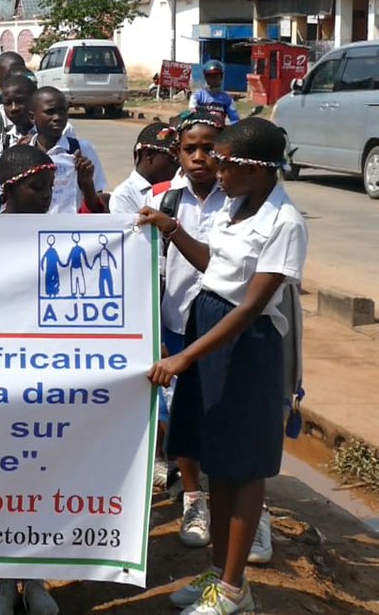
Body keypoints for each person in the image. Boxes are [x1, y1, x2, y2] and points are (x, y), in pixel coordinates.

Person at [138, 117, 307, 614]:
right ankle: (219, 577)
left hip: (245, 348)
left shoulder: (284, 222)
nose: (214, 166)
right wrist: (170, 227)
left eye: (225, 161)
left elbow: (251, 306)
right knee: (217, 465)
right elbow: (216, 267)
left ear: (255, 168)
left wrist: (186, 356)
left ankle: (233, 590)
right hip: (210, 331)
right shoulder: (237, 206)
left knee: (242, 468)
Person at [145, 109, 228, 549]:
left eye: (209, 148)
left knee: (227, 412)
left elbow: (220, 265)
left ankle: (247, 505)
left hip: (226, 324)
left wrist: (174, 231)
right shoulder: (164, 199)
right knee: (180, 415)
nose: (200, 157)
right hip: (177, 322)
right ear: (176, 153)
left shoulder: (236, 197)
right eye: (189, 149)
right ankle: (194, 497)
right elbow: (143, 264)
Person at [0, 144, 61, 615]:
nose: (48, 196)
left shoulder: (63, 237)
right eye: (38, 187)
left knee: (38, 478)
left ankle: (35, 579)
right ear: (10, 188)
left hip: (41, 378)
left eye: (51, 187)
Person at [26, 86, 108, 213]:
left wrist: (86, 182)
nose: (58, 117)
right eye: (50, 112)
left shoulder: (83, 150)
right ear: (32, 117)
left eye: (63, 111)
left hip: (71, 229)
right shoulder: (24, 153)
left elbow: (97, 205)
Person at [109, 123, 180, 215]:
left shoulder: (180, 187)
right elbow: (133, 228)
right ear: (149, 155)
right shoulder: (124, 196)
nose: (180, 164)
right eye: (173, 158)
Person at [189, 60, 240, 124]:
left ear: (221, 76)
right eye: (209, 75)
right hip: (200, 128)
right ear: (205, 77)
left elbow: (235, 119)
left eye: (215, 75)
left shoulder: (228, 99)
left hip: (219, 131)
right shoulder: (197, 96)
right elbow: (192, 110)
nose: (213, 78)